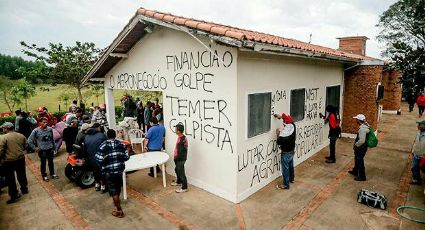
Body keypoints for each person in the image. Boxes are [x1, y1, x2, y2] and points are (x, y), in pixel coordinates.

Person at [95, 129, 129, 218]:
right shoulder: (121, 144)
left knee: (113, 190)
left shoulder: (103, 145)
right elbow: (127, 157)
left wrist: (104, 165)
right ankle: (116, 201)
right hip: (119, 171)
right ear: (115, 135)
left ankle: (119, 210)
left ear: (107, 136)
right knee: (117, 188)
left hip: (108, 172)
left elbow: (98, 159)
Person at [0, 122, 28, 204]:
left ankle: (14, 195)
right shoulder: (21, 135)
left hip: (9, 161)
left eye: (3, 128)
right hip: (20, 158)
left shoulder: (3, 137)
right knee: (22, 174)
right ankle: (24, 189)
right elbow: (26, 146)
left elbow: (1, 150)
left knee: (10, 179)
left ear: (6, 129)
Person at [28, 117, 59, 181]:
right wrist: (35, 148)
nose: (45, 123)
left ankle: (52, 174)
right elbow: (29, 140)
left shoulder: (50, 129)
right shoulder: (36, 131)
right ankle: (44, 175)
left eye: (46, 122)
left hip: (50, 149)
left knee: (51, 162)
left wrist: (54, 147)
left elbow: (52, 138)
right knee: (43, 163)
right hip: (42, 151)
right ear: (40, 123)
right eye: (44, 122)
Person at [274, 113, 296, 190]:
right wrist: (281, 117)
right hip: (292, 150)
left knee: (285, 168)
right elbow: (289, 121)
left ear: (285, 123)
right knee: (290, 165)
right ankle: (291, 179)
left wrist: (277, 134)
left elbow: (278, 142)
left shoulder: (283, 136)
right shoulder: (293, 126)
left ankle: (286, 185)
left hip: (285, 152)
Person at [84, 123, 107, 192]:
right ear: (97, 128)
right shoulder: (101, 135)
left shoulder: (86, 136)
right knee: (102, 172)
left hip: (90, 158)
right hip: (100, 158)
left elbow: (85, 149)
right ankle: (103, 185)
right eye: (100, 127)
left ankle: (97, 184)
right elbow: (106, 146)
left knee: (95, 171)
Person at [348, 114, 370, 181]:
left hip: (361, 148)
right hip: (363, 147)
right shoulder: (366, 126)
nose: (356, 120)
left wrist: (356, 145)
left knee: (360, 161)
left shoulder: (362, 129)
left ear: (358, 120)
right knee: (357, 159)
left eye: (356, 119)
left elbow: (362, 140)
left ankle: (362, 176)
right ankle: (355, 171)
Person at [171, 123, 188, 193]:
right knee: (177, 170)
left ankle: (184, 187)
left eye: (175, 129)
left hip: (180, 159)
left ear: (178, 131)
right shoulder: (181, 137)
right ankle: (179, 182)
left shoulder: (182, 139)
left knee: (181, 173)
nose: (175, 130)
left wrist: (176, 158)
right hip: (178, 158)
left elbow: (181, 151)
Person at [410, 120, 425, 185]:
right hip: (416, 154)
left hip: (423, 156)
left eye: (420, 125)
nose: (418, 126)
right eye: (418, 125)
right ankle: (416, 179)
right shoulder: (419, 132)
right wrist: (413, 150)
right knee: (414, 167)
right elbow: (416, 143)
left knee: (422, 168)